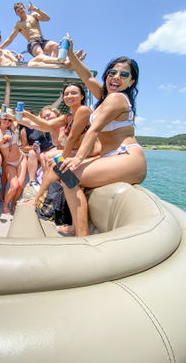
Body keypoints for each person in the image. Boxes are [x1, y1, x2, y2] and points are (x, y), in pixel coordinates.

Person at [57, 40, 147, 236]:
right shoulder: (107, 97)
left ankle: (81, 236)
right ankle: (76, 226)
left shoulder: (117, 99)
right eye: (112, 73)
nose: (116, 77)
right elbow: (87, 76)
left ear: (131, 82)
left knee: (67, 175)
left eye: (123, 75)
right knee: (65, 170)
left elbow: (94, 129)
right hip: (114, 157)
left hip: (127, 158)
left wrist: (78, 159)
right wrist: (71, 54)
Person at [18, 83, 100, 237]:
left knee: (60, 168)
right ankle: (37, 200)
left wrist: (62, 159)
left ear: (82, 96)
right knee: (54, 168)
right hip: (81, 155)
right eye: (66, 93)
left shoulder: (83, 111)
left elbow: (72, 137)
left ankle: (81, 232)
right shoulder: (69, 116)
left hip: (92, 155)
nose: (69, 96)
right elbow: (46, 125)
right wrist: (25, 114)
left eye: (73, 93)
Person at [0, 108, 27, 214]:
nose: (7, 121)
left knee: (21, 186)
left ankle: (13, 203)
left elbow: (19, 118)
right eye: (4, 118)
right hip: (9, 163)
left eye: (9, 120)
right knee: (14, 186)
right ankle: (6, 205)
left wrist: (12, 115)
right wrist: (3, 139)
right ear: (0, 118)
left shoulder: (12, 127)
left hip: (21, 159)